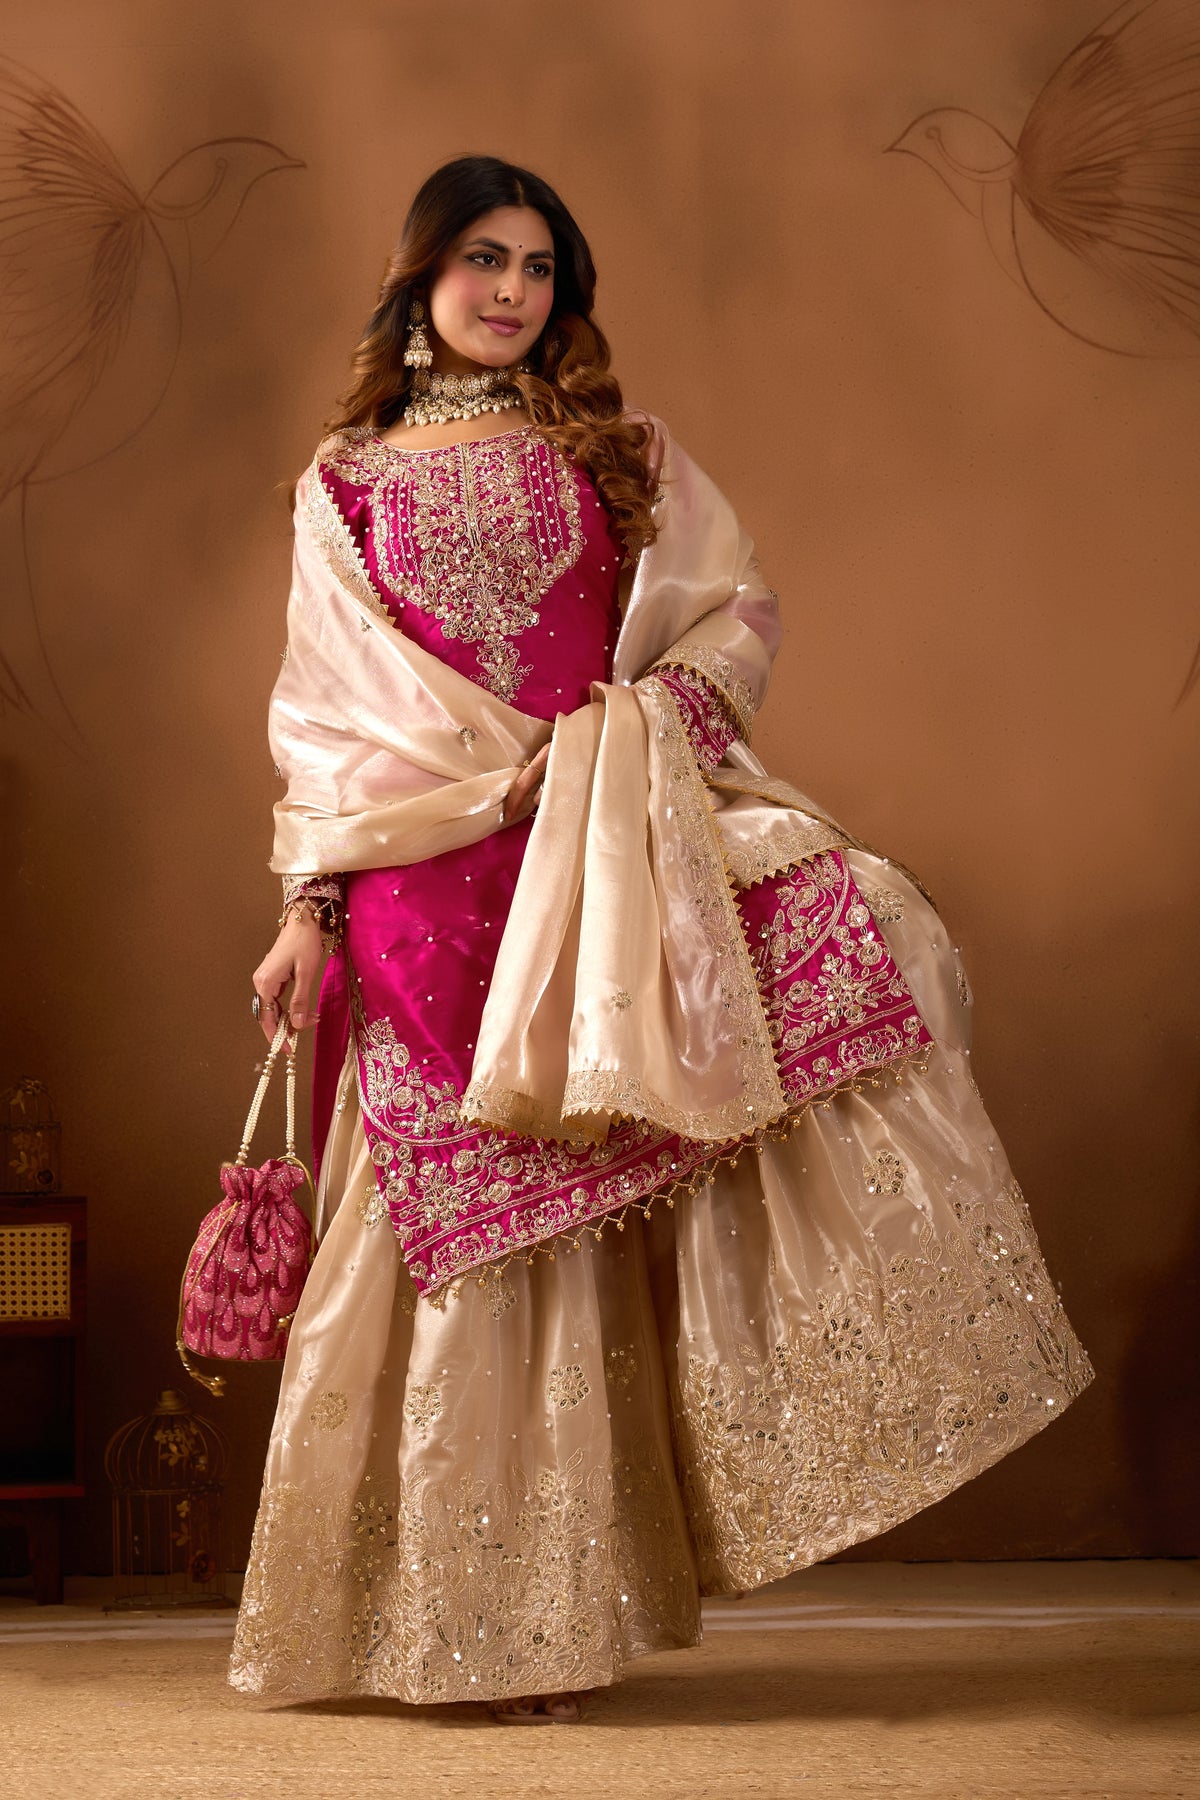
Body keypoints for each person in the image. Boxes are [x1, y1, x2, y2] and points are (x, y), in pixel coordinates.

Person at [228, 154, 1094, 1724]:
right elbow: (327, 725)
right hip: (422, 889)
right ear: (418, 280)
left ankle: (552, 1629)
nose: (510, 291)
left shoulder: (621, 455)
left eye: (540, 268)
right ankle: (428, 1628)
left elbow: (734, 617)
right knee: (461, 1239)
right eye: (482, 259)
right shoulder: (341, 486)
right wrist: (306, 908)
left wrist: (625, 735)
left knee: (849, 938)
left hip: (597, 861)